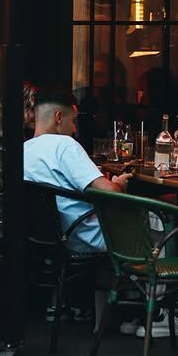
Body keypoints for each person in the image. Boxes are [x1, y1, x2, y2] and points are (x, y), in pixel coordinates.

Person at [23, 87, 132, 253]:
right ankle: (157, 277)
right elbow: (111, 193)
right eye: (73, 121)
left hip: (46, 239)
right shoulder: (64, 145)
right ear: (58, 117)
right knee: (157, 219)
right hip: (86, 238)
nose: (74, 129)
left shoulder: (24, 149)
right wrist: (118, 184)